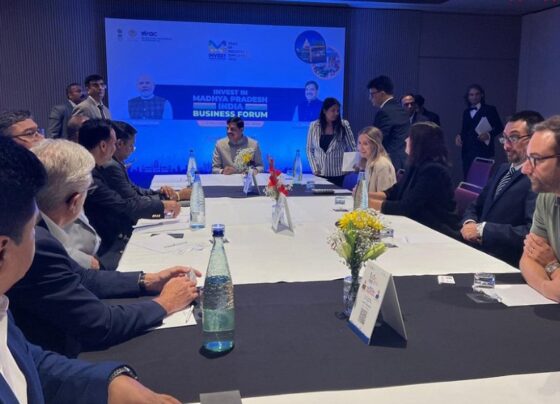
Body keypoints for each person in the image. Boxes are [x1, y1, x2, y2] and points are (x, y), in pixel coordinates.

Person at [0, 135, 182, 403]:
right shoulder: (43, 246)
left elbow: (27, 362)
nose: (37, 235)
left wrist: (110, 382)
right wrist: (164, 303)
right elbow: (97, 323)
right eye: (31, 230)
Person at [80, 119, 181, 269]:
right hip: (104, 246)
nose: (115, 148)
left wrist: (161, 199)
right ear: (103, 146)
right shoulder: (88, 175)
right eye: (114, 144)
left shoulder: (95, 168)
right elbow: (123, 204)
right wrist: (162, 207)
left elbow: (132, 192)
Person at [461, 111, 542, 267]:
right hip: (479, 254)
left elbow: (532, 232)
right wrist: (469, 223)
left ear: (535, 139)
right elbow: (475, 205)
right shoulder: (503, 169)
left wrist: (483, 230)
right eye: (504, 138)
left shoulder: (538, 179)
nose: (506, 146)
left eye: (514, 138)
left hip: (509, 263)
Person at [369, 122, 459, 238]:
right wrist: (366, 195)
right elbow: (394, 192)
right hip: (417, 224)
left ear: (420, 143)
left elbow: (407, 207)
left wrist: (369, 204)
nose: (406, 140)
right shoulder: (415, 164)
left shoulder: (434, 171)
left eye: (410, 137)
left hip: (436, 230)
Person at [519, 116, 560, 301]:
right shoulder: (547, 196)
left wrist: (551, 265)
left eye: (536, 159)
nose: (525, 169)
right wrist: (548, 287)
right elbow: (529, 259)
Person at [104, 120, 191, 203]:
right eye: (131, 145)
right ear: (119, 144)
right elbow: (135, 201)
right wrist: (177, 196)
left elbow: (135, 190)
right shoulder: (112, 167)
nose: (133, 149)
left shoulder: (117, 163)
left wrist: (162, 193)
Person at [456, 84, 503, 178]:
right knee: (467, 177)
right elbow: (465, 129)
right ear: (468, 97)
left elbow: (500, 127)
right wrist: (459, 135)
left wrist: (488, 135)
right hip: (467, 150)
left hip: (482, 149)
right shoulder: (466, 112)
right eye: (471, 95)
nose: (474, 97)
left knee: (481, 178)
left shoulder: (490, 109)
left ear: (482, 95)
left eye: (477, 94)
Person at [306, 97, 356, 187]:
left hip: (338, 173)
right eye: (333, 110)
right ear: (324, 111)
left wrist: (349, 167)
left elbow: (352, 147)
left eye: (338, 111)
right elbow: (309, 149)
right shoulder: (314, 125)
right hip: (319, 172)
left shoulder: (344, 125)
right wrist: (314, 168)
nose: (336, 113)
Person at [367, 76, 410, 171]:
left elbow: (377, 140)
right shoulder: (401, 109)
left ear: (382, 93)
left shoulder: (384, 112)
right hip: (403, 161)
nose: (370, 98)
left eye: (372, 94)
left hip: (389, 163)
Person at [355, 126, 396, 192]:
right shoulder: (368, 161)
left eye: (365, 144)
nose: (361, 147)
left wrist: (361, 194)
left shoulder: (382, 164)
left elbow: (384, 195)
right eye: (359, 143)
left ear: (375, 145)